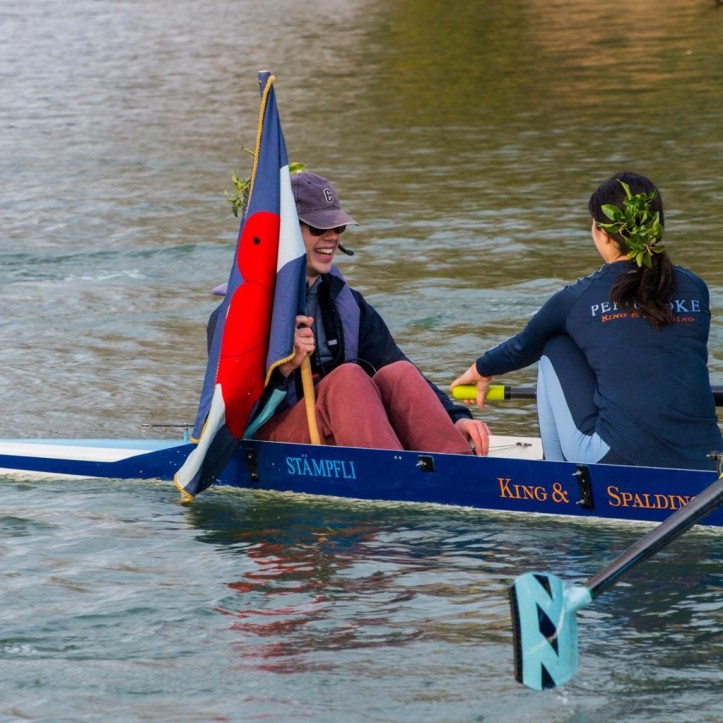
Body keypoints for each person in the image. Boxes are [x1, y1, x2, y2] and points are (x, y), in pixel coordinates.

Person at [451, 171, 722, 470]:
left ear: (601, 232)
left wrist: (482, 368)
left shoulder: (576, 298)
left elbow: (522, 347)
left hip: (619, 458)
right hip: (708, 461)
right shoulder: (696, 287)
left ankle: (557, 479)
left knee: (553, 345)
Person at [242, 171, 490, 455]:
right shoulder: (246, 311)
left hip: (340, 426)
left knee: (400, 374)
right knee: (348, 378)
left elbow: (395, 360)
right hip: (269, 440)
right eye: (318, 228)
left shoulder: (349, 303)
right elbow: (236, 416)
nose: (332, 237)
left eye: (337, 228)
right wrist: (283, 370)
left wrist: (455, 416)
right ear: (286, 233)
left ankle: (455, 463)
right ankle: (393, 477)